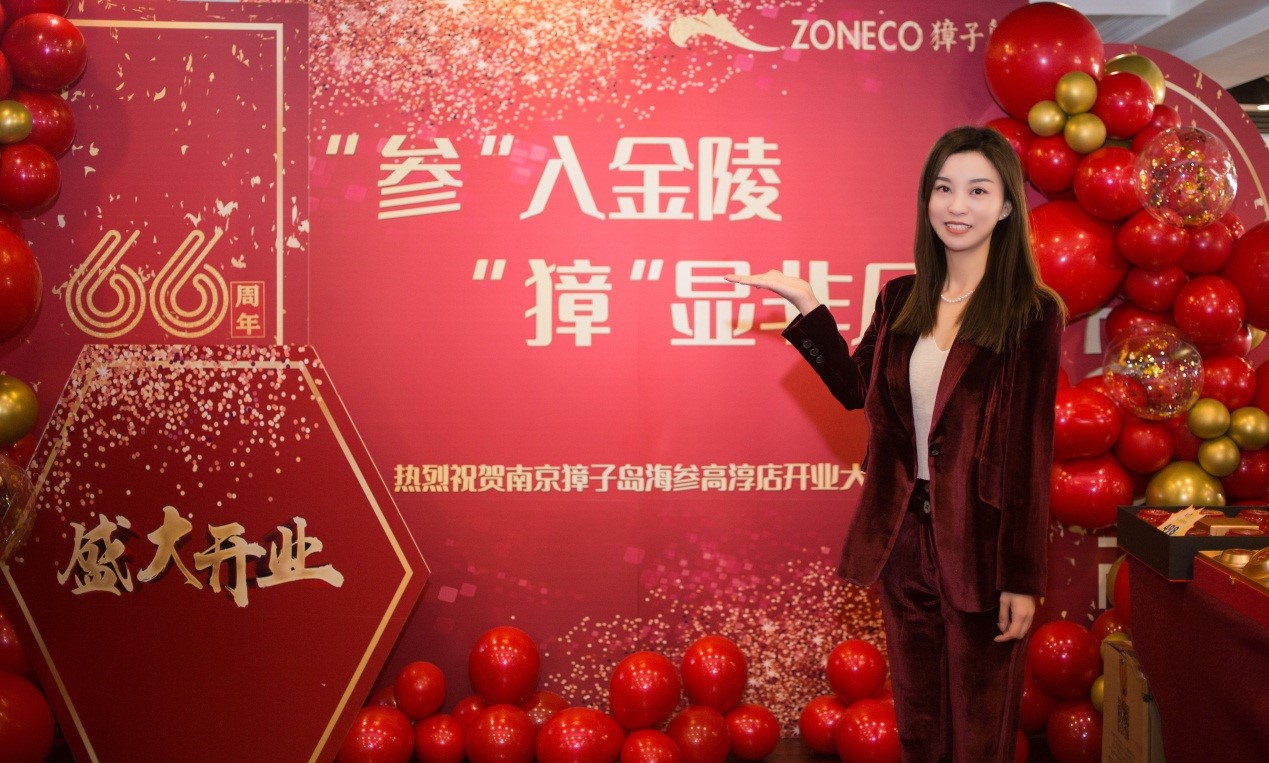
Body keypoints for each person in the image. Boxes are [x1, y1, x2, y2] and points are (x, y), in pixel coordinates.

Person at [725, 125, 1066, 762]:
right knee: (919, 727)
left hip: (983, 548)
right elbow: (855, 390)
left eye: (977, 190)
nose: (957, 205)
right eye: (943, 188)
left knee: (981, 735)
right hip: (903, 538)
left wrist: (1022, 579)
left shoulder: (1031, 312)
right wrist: (807, 306)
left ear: (1006, 207)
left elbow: (1028, 453)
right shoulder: (901, 298)